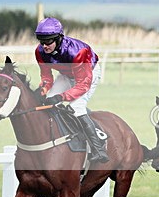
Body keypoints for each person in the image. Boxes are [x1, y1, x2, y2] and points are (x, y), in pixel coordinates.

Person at [34, 17, 110, 163]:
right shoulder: (40, 52)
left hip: (88, 75)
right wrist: (43, 89)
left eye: (48, 41)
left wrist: (62, 97)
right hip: (66, 74)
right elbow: (46, 77)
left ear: (59, 38)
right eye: (41, 41)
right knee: (47, 102)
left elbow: (83, 84)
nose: (44, 46)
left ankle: (98, 148)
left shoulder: (77, 52)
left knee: (76, 106)